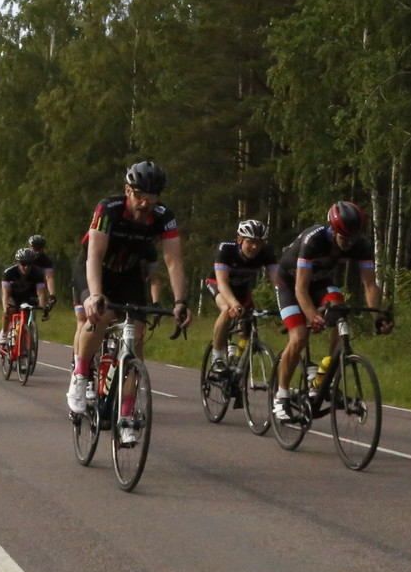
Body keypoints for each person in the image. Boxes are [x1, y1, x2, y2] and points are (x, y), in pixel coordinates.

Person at [68, 161, 191, 435]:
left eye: (152, 196)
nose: (145, 202)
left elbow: (173, 261)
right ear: (127, 190)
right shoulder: (109, 208)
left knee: (136, 343)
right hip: (96, 270)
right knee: (99, 317)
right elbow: (94, 256)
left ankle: (126, 416)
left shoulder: (164, 217)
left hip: (128, 276)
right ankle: (80, 376)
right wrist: (95, 295)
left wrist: (180, 301)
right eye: (139, 195)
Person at [272, 201, 390, 421]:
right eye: (344, 238)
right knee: (299, 337)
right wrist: (312, 316)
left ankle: (324, 377)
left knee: (340, 309)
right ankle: (281, 396)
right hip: (290, 283)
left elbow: (370, 285)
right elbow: (300, 289)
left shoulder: (361, 244)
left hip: (319, 282)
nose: (349, 243)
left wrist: (378, 316)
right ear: (333, 230)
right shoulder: (314, 240)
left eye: (353, 238)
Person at [207, 219, 277, 370]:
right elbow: (222, 283)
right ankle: (217, 358)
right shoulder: (226, 249)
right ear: (239, 240)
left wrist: (287, 303)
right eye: (250, 242)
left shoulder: (266, 252)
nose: (255, 247)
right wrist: (233, 303)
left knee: (247, 325)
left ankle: (236, 360)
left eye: (259, 243)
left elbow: (278, 282)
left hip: (242, 288)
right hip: (218, 284)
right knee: (227, 310)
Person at [23, 234, 59, 309]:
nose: (37, 252)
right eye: (35, 249)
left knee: (40, 305)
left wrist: (52, 295)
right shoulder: (23, 255)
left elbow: (49, 277)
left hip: (36, 283)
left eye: (39, 249)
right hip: (22, 281)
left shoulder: (46, 260)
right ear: (29, 247)